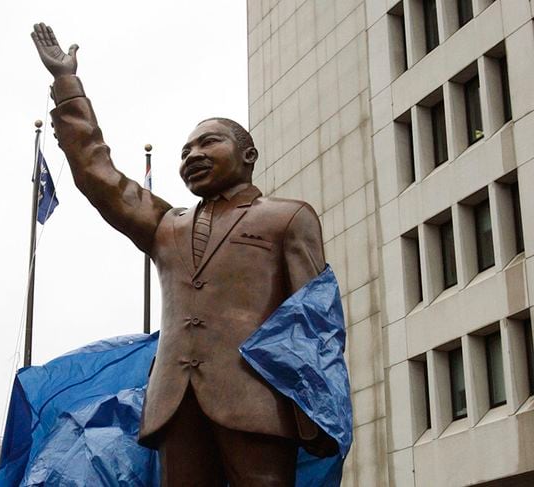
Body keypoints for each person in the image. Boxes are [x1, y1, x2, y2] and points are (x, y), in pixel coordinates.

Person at [31, 22, 336, 486]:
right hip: (173, 405)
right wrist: (67, 86)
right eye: (185, 149)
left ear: (248, 154)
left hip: (260, 400)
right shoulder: (166, 226)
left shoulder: (288, 218)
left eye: (208, 142)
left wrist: (314, 407)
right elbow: (97, 170)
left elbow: (314, 320)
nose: (192, 154)